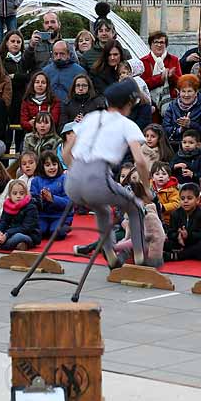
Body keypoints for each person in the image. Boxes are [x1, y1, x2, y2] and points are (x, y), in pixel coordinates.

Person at [62, 80, 153, 268]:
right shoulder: (127, 124)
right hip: (97, 177)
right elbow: (140, 161)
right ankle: (140, 259)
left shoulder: (91, 117)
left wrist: (78, 176)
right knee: (135, 208)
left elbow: (65, 152)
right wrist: (146, 188)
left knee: (102, 209)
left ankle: (110, 254)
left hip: (72, 181)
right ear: (129, 104)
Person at [0, 178, 41, 251]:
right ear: (10, 195)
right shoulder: (7, 205)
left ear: (26, 194)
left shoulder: (31, 207)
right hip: (9, 232)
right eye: (15, 193)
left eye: (21, 193)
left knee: (18, 237)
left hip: (27, 234)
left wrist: (7, 234)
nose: (18, 196)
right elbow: (3, 221)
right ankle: (12, 245)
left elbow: (26, 228)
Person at [162, 182, 201, 261]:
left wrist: (188, 235)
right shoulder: (175, 214)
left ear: (197, 200)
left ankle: (177, 256)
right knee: (163, 243)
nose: (185, 201)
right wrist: (178, 236)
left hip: (194, 242)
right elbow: (170, 232)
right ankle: (194, 254)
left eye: (189, 198)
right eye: (182, 199)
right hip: (179, 242)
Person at [141, 31, 181, 108]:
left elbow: (180, 83)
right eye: (156, 42)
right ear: (150, 45)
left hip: (170, 104)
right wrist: (160, 78)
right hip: (150, 104)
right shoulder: (143, 61)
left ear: (166, 45)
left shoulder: (174, 60)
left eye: (162, 42)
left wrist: (171, 76)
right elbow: (143, 84)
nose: (159, 45)